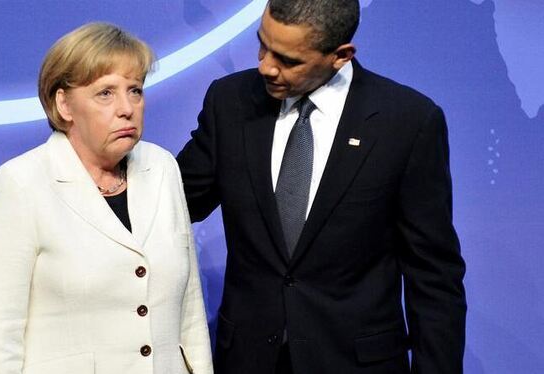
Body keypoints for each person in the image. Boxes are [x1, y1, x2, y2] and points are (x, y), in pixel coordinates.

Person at [176, 0, 466, 373]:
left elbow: (433, 276)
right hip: (248, 360)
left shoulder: (407, 123)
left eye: (288, 60)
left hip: (356, 364)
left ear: (340, 55)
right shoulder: (230, 102)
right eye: (262, 44)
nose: (266, 66)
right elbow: (172, 204)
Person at [0, 22, 213, 374]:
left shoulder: (162, 168)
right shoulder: (20, 184)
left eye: (135, 90)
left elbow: (188, 310)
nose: (127, 108)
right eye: (105, 93)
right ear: (64, 104)